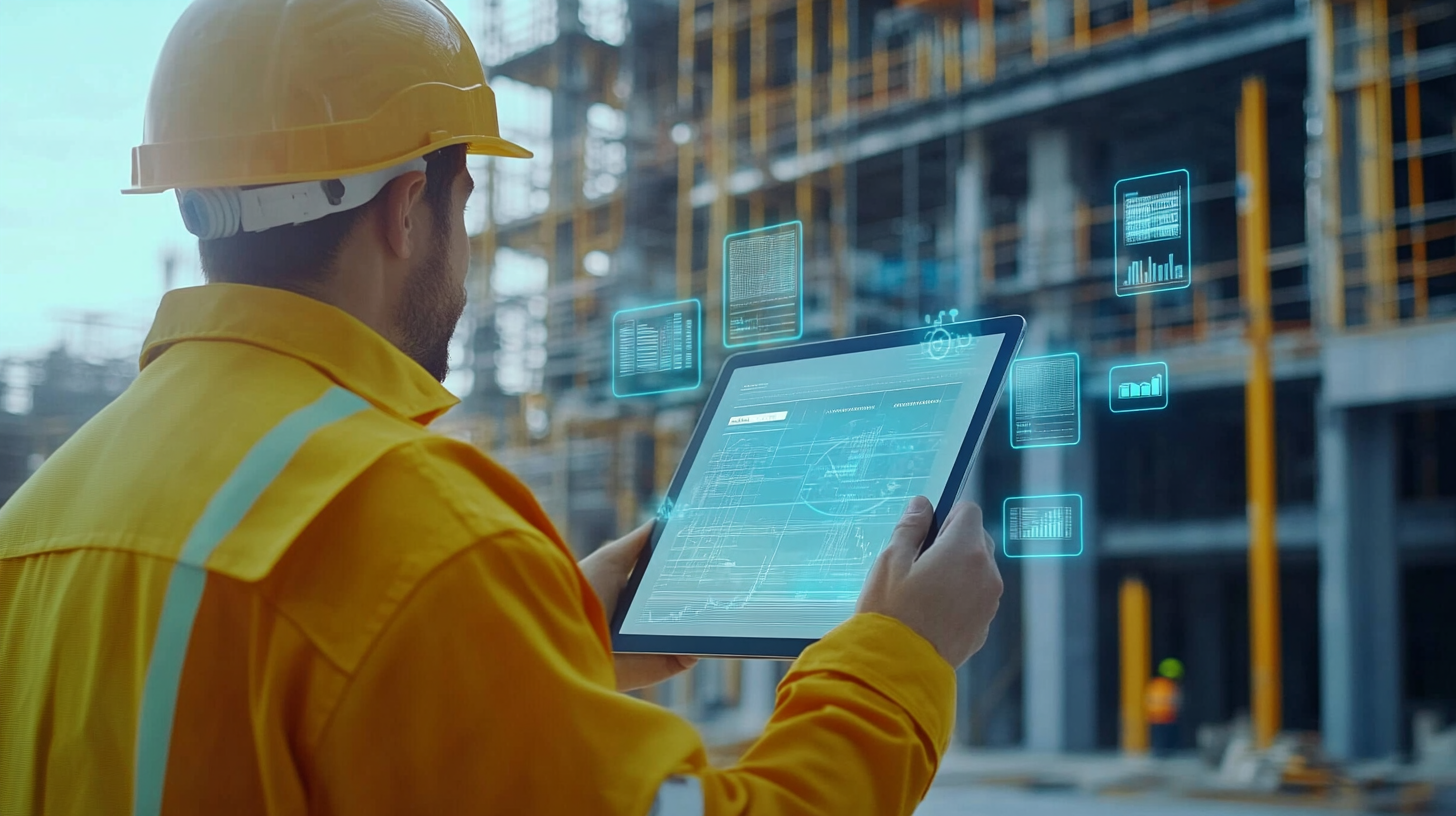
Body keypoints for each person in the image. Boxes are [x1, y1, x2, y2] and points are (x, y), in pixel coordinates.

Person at [0, 1, 1005, 814]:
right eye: (464, 200)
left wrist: (548, 628)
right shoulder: (413, 531)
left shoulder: (41, 517)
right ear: (406, 208)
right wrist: (898, 660)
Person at [1147, 657, 1185, 757]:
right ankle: (1166, 752)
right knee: (1167, 738)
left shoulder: (1155, 683)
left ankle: (1159, 752)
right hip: (1167, 715)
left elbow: (1148, 699)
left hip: (1155, 715)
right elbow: (1175, 700)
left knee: (1158, 737)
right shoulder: (1171, 686)